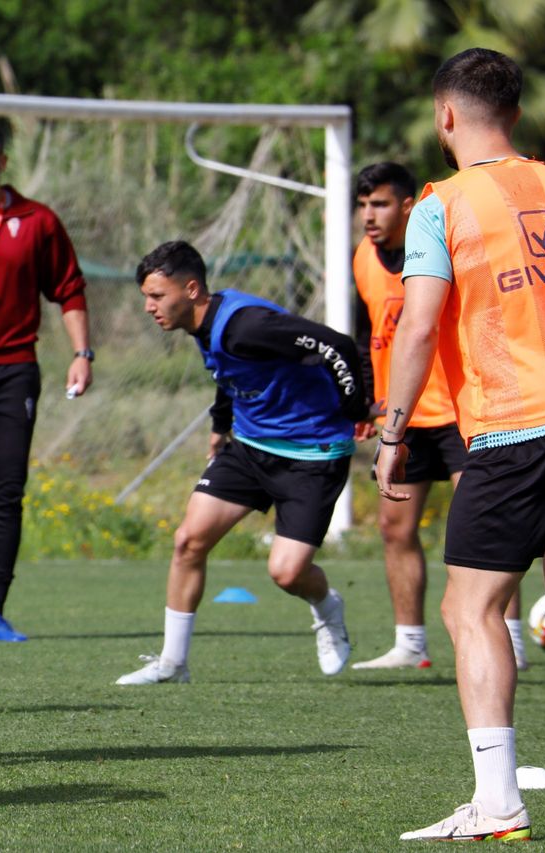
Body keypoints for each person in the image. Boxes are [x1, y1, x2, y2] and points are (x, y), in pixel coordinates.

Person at [380, 48, 545, 842]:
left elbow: (419, 324)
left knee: (471, 607)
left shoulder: (442, 204)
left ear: (445, 116)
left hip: (517, 424)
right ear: (518, 116)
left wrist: (392, 431)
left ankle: (497, 802)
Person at [119, 240, 368, 685]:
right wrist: (220, 425)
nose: (148, 307)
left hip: (311, 453)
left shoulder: (247, 325)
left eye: (156, 296)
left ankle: (328, 609)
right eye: (145, 297)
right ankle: (174, 664)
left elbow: (336, 345)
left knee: (286, 573)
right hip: (251, 447)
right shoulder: (205, 326)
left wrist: (355, 410)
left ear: (191, 289)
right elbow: (230, 371)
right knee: (188, 541)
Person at [347, 162, 526, 672]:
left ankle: (509, 640)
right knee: (393, 527)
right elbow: (369, 337)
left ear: (408, 206)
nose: (368, 216)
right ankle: (410, 642)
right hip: (403, 418)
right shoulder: (362, 258)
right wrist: (366, 400)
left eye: (378, 204)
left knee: (490, 528)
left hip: (459, 409)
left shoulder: (445, 242)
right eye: (362, 206)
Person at [0, 120, 92, 643]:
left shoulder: (36, 221)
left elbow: (70, 290)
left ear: (2, 163)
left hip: (13, 370)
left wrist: (82, 353)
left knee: (7, 492)